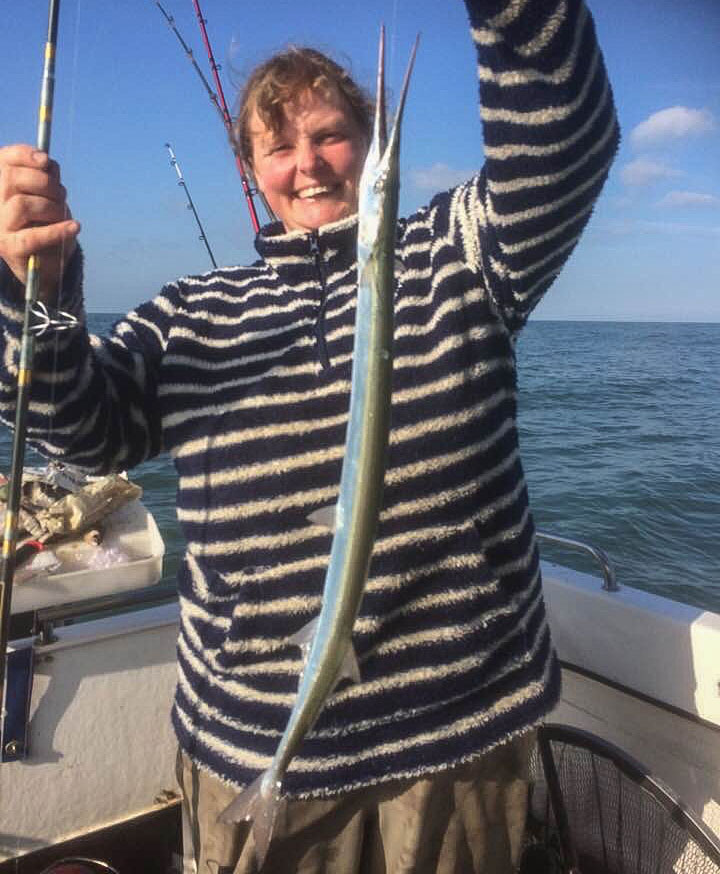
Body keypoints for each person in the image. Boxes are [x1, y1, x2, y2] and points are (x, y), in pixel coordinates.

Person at [0, 0, 619, 870]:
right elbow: (80, 433)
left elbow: (565, 150)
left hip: (459, 744)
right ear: (252, 167)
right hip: (252, 754)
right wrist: (32, 294)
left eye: (331, 136)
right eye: (279, 146)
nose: (309, 165)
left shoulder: (457, 257)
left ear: (367, 152)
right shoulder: (191, 317)